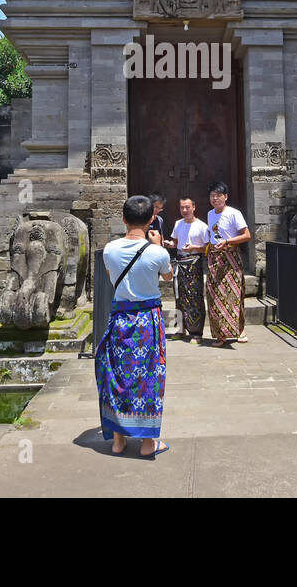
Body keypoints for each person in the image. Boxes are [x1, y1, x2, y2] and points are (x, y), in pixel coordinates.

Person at [95, 194, 174, 457]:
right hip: (148, 320)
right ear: (152, 218)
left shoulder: (109, 249)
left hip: (120, 318)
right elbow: (167, 276)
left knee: (118, 376)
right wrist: (158, 243)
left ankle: (118, 440)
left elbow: (110, 275)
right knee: (149, 377)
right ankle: (148, 443)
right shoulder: (157, 252)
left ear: (123, 219)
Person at [205, 181, 251, 347]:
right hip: (214, 259)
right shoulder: (210, 214)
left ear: (226, 197)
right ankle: (220, 334)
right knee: (214, 296)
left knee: (234, 294)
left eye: (218, 195)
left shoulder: (234, 213)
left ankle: (240, 330)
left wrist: (228, 241)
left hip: (231, 257)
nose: (215, 198)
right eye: (212, 195)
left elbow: (246, 235)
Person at [168, 196, 210, 341]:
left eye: (187, 207)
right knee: (179, 296)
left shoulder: (202, 226)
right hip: (179, 262)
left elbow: (208, 248)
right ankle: (180, 329)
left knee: (194, 298)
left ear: (194, 207)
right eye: (182, 207)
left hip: (194, 262)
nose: (185, 210)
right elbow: (175, 242)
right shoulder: (178, 223)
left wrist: (195, 247)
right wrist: (170, 244)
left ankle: (196, 332)